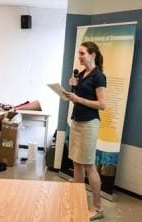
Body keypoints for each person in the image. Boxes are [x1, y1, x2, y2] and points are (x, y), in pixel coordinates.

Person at [64, 41, 106, 221]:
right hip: (77, 121)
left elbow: (102, 104)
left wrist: (78, 99)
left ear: (92, 55)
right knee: (76, 163)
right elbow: (77, 100)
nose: (79, 57)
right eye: (79, 54)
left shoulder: (99, 76)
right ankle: (76, 200)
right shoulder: (81, 74)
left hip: (89, 124)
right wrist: (71, 92)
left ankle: (98, 207)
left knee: (88, 165)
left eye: (82, 53)